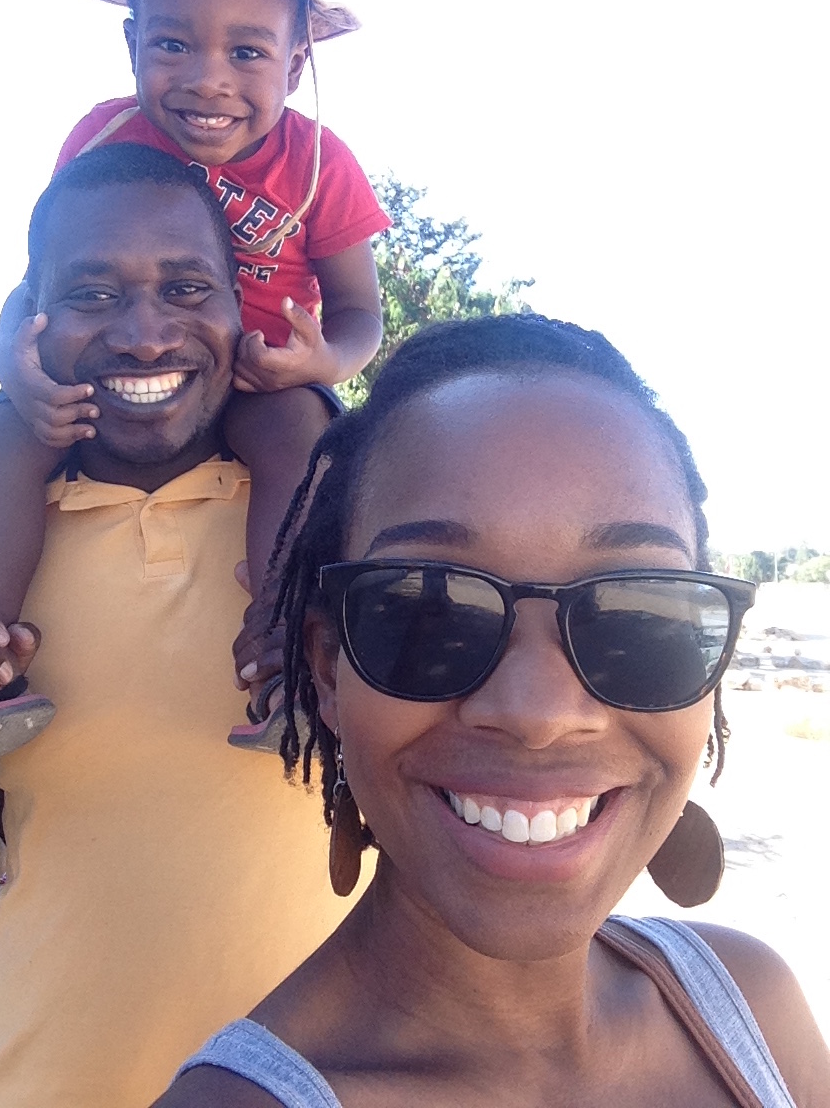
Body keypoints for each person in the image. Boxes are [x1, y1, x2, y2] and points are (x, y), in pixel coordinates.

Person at [158, 315, 830, 1107]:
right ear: (329, 668)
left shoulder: (754, 1005)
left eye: (635, 613)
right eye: (429, 610)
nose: (538, 714)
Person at [0, 0, 387, 780]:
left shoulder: (322, 165)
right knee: (4, 429)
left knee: (298, 436)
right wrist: (14, 362)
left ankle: (287, 647)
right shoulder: (103, 137)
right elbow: (46, 275)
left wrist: (318, 364)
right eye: (173, 44)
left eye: (247, 51)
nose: (207, 79)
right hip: (114, 389)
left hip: (258, 377)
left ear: (296, 58)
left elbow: (362, 314)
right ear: (131, 42)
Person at [0, 145, 370, 1108]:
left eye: (187, 289)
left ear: (239, 307)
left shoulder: (344, 542)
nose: (145, 337)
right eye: (92, 295)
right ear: (29, 319)